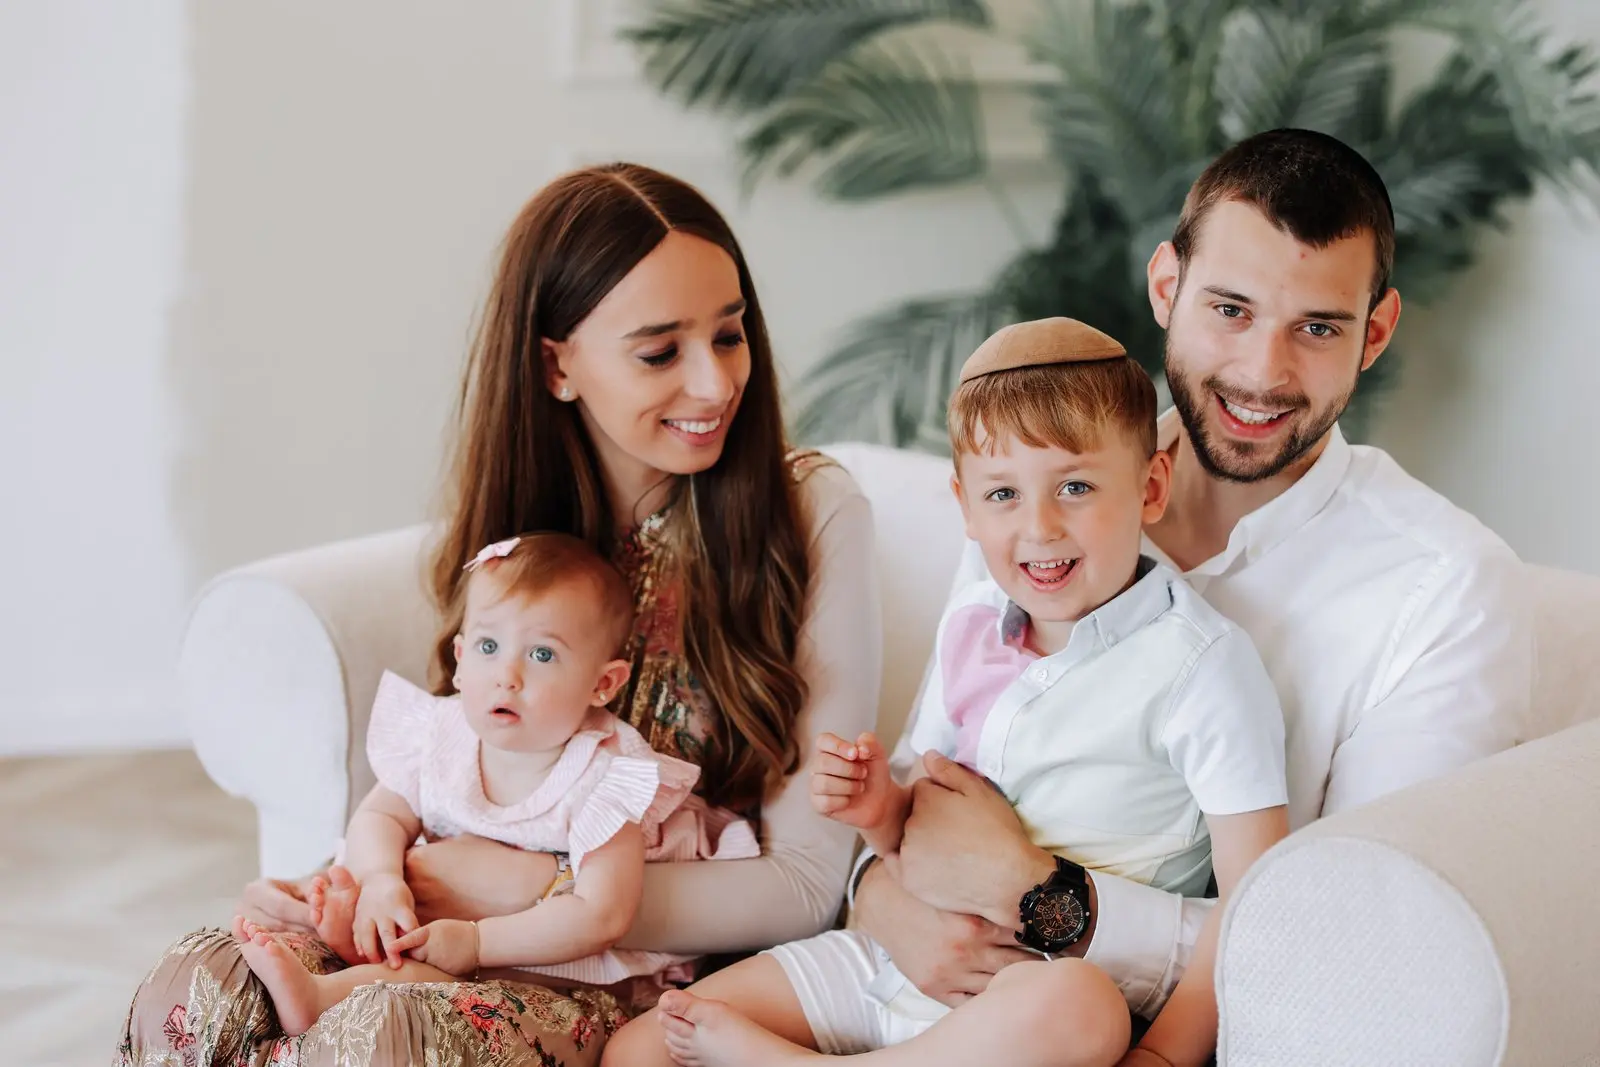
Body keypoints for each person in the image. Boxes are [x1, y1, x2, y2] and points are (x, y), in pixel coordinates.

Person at [116, 162, 881, 1067]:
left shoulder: (811, 513)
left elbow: (805, 883)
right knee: (200, 988)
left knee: (383, 1039)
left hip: (623, 969)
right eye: (660, 350)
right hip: (438, 935)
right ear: (557, 364)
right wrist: (358, 881)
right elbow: (454, 771)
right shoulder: (517, 542)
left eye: (730, 333)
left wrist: (525, 889)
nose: (716, 384)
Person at [848, 128, 1534, 1065]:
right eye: (1230, 309)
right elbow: (916, 780)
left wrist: (1043, 895)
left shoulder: (1447, 592)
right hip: (923, 1007)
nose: (1263, 371)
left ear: (1374, 332)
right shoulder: (1041, 490)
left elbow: (1351, 954)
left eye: (1318, 327)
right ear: (1166, 287)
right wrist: (886, 903)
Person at [604, 319, 1292, 1067]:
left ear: (1151, 484)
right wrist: (877, 809)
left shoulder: (1201, 665)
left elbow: (1257, 899)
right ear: (965, 507)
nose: (1040, 526)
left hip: (1040, 993)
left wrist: (1162, 1056)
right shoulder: (972, 622)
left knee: (1080, 1005)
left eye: (1075, 485)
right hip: (904, 957)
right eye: (1003, 493)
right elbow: (918, 812)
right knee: (643, 1047)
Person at [234, 531, 767, 1036]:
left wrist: (477, 942)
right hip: (452, 919)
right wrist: (380, 879)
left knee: (451, 981)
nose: (507, 674)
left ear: (602, 684)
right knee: (383, 907)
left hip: (563, 961)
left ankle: (324, 996)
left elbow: (601, 914)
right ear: (461, 662)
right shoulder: (440, 735)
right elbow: (381, 815)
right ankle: (356, 930)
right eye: (489, 647)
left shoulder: (605, 775)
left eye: (542, 655)